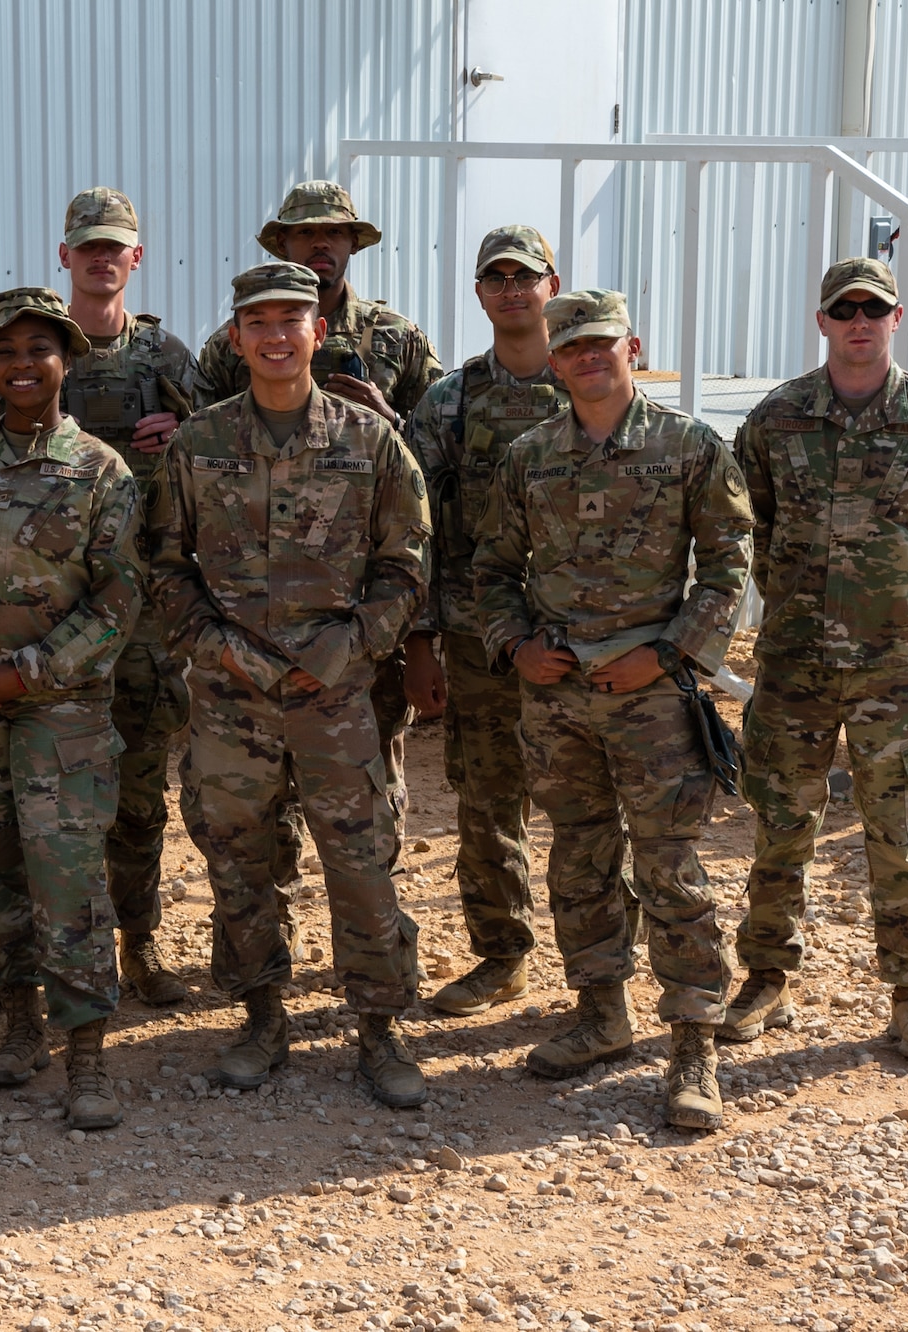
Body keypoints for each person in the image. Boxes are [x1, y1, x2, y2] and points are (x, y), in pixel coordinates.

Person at [151, 262, 432, 1108]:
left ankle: (380, 1026)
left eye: (292, 320)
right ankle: (261, 1014)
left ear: (318, 332)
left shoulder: (370, 440)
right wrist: (215, 646)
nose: (276, 336)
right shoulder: (199, 445)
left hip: (335, 695)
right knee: (239, 858)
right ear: (237, 338)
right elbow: (165, 566)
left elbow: (408, 562)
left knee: (361, 860)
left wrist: (350, 649)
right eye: (259, 322)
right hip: (233, 695)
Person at [472, 289, 751, 1131]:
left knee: (671, 865)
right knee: (581, 859)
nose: (588, 359)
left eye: (602, 344)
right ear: (554, 362)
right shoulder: (529, 457)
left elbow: (730, 566)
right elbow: (490, 569)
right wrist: (516, 645)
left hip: (654, 694)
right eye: (572, 349)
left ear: (634, 346)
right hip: (556, 697)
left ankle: (694, 1042)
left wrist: (665, 655)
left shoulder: (689, 447)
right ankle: (601, 1014)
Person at [726, 257, 908, 1060]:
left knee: (901, 832)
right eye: (844, 309)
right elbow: (748, 522)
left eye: (874, 309)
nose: (859, 322)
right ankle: (767, 979)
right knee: (780, 827)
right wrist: (789, 603)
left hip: (892, 669)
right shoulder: (778, 419)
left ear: (896, 318)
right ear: (822, 321)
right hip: (795, 665)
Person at [0, 287, 141, 1130]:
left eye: (39, 349)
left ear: (66, 361)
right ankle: (19, 1025)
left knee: (67, 878)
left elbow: (120, 600)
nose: (22, 365)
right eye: (6, 351)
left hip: (62, 712)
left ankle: (88, 1056)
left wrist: (31, 673)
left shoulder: (100, 471)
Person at [0, 187, 199, 1007]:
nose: (102, 259)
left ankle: (137, 946)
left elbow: (215, 466)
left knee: (135, 798)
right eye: (87, 247)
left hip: (136, 622)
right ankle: (29, 968)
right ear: (64, 255)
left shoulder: (167, 359)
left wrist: (181, 442)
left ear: (136, 258)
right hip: (40, 613)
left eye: (116, 247)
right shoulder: (30, 351)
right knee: (36, 809)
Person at [194, 180, 442, 929]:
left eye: (334, 234)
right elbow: (199, 442)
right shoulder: (227, 344)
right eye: (306, 236)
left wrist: (388, 424)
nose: (321, 245)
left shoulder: (397, 338)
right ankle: (278, 935)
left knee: (364, 809)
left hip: (352, 627)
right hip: (252, 622)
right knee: (257, 817)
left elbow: (432, 466)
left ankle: (364, 949)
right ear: (285, 246)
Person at [407, 225, 623, 1016]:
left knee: (591, 804)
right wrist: (422, 642)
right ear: (479, 294)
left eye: (523, 277)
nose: (509, 290)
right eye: (493, 277)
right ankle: (503, 955)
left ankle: (602, 966)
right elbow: (414, 527)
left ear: (550, 283)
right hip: (479, 640)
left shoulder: (591, 382)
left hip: (585, 641)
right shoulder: (451, 401)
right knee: (488, 802)